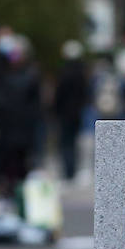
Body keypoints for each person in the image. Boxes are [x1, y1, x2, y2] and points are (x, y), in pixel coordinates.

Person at [0, 35, 42, 197]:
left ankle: (20, 189)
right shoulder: (1, 74)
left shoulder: (30, 75)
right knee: (6, 160)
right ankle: (8, 187)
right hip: (6, 126)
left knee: (22, 161)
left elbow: (35, 105)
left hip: (23, 127)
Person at [53, 40, 89, 181]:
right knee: (73, 142)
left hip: (65, 113)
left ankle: (69, 171)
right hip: (77, 112)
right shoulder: (82, 73)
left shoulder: (64, 72)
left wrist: (55, 110)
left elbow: (59, 94)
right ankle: (72, 170)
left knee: (66, 142)